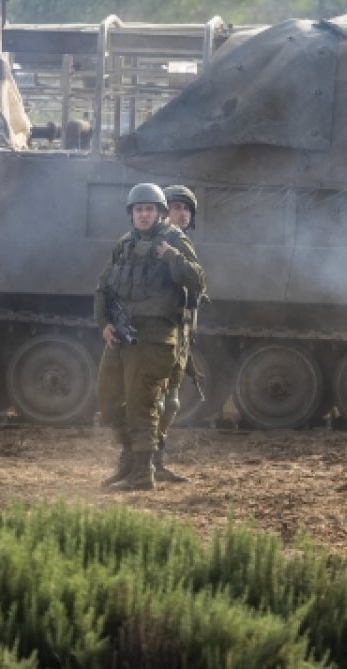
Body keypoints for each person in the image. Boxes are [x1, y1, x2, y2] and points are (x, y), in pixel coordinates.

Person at [94, 183, 205, 491]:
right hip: (121, 334)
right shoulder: (125, 244)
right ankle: (129, 461)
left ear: (159, 213)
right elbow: (104, 286)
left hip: (154, 336)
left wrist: (172, 258)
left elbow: (198, 279)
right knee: (108, 401)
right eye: (138, 210)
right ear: (132, 214)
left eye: (149, 209)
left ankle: (143, 474)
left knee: (143, 406)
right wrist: (103, 322)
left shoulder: (174, 240)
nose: (144, 215)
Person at [151, 184, 205, 483]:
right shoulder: (158, 244)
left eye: (186, 209)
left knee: (170, 402)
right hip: (160, 334)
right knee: (156, 401)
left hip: (179, 332)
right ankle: (142, 462)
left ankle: (156, 462)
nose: (181, 213)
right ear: (164, 211)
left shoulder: (181, 244)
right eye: (175, 207)